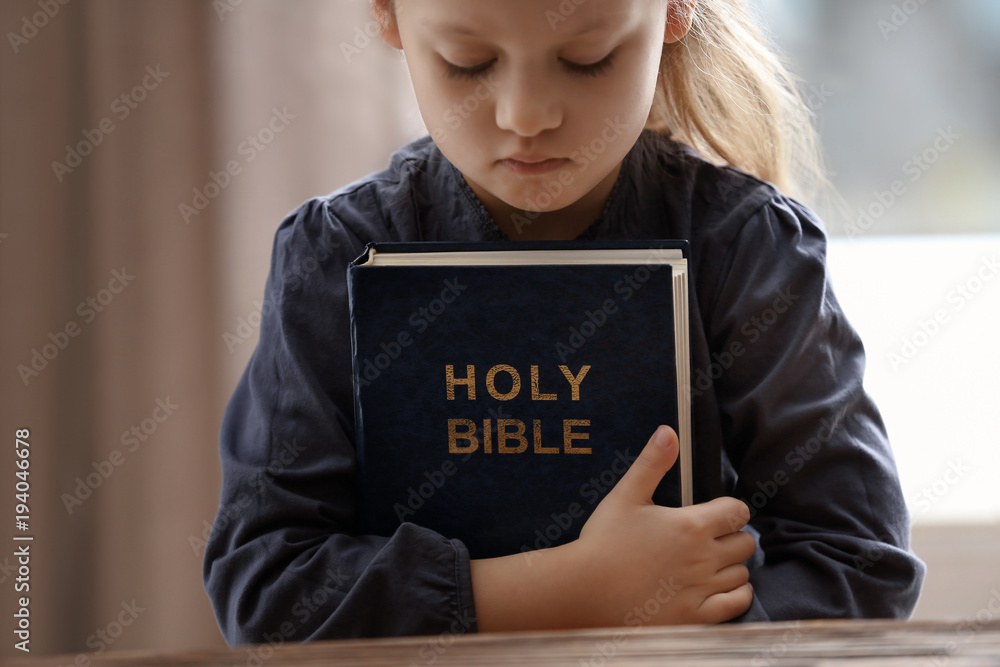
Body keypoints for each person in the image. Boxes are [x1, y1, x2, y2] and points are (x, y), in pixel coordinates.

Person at [203, 0, 925, 643]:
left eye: (589, 59)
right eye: (468, 62)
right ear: (387, 16)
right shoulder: (332, 257)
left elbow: (857, 560)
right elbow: (268, 589)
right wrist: (580, 589)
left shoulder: (749, 251)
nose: (526, 115)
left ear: (674, 14)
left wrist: (675, 624)